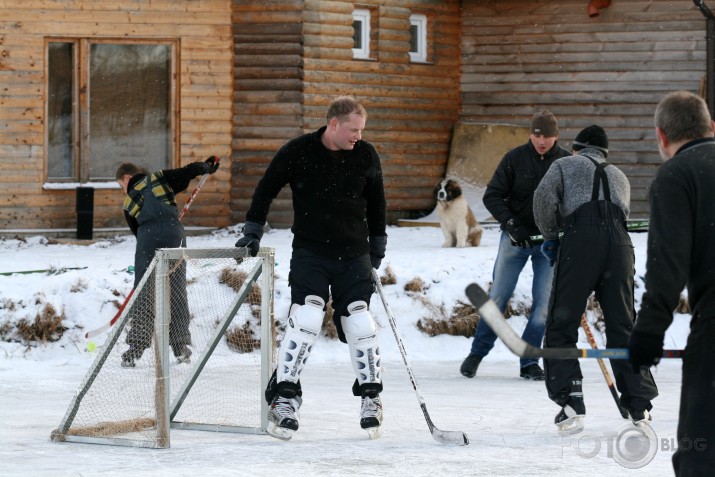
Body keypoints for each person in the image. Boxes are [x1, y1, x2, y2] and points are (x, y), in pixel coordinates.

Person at [234, 96, 388, 441]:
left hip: (355, 254)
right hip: (311, 252)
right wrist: (252, 230)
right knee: (306, 317)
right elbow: (266, 188)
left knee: (360, 320)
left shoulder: (365, 153)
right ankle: (285, 398)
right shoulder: (298, 151)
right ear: (333, 124)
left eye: (361, 130)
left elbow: (377, 200)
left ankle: (371, 398)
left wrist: (378, 243)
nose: (358, 137)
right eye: (353, 130)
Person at [533, 125, 658, 434]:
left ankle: (571, 400)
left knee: (562, 324)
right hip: (620, 245)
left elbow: (542, 199)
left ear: (577, 148)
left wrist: (551, 237)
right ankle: (639, 405)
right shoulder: (619, 175)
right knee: (622, 327)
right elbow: (622, 214)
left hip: (581, 244)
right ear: (604, 153)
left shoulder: (563, 165)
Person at [628, 91, 715, 475]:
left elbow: (668, 267)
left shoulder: (677, 175)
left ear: (661, 137)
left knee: (701, 454)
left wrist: (648, 334)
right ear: (711, 127)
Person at [460, 110, 571, 380]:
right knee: (497, 299)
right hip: (515, 239)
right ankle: (477, 353)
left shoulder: (567, 162)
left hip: (548, 244)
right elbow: (493, 196)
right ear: (530, 134)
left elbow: (573, 203)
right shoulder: (514, 158)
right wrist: (511, 223)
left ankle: (529, 362)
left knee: (544, 305)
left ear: (556, 135)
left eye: (547, 135)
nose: (542, 141)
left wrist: (562, 229)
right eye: (537, 135)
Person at [116, 156, 219, 367]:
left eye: (121, 185)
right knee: (177, 291)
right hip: (174, 234)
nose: (122, 190)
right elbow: (188, 171)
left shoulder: (128, 203)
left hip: (147, 240)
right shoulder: (160, 179)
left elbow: (137, 231)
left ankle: (134, 350)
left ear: (127, 177)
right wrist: (207, 167)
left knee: (145, 292)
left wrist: (153, 232)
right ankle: (180, 347)